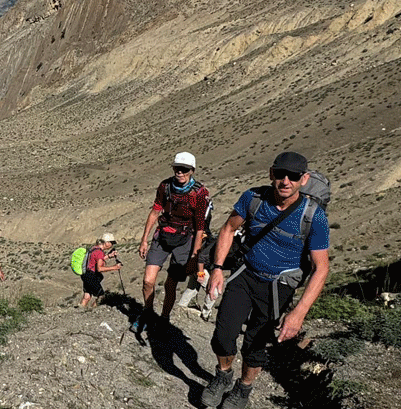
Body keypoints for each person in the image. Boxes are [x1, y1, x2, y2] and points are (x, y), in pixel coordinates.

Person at [201, 152, 330, 409]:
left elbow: (321, 268)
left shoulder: (314, 217)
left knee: (255, 345)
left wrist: (299, 313)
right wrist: (217, 269)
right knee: (223, 335)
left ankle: (243, 389)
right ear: (271, 173)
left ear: (304, 179)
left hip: (278, 286)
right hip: (246, 274)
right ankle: (223, 375)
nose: (286, 181)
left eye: (293, 176)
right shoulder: (253, 198)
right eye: (280, 174)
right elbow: (228, 229)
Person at [132, 152, 212, 330]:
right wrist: (144, 240)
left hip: (184, 240)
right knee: (148, 281)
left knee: (171, 284)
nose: (180, 172)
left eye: (184, 169)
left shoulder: (199, 193)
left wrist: (195, 255)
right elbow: (155, 212)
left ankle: (164, 318)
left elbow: (200, 227)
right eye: (177, 168)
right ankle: (147, 313)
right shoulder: (165, 186)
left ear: (192, 170)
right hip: (163, 236)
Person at [79, 233, 123, 308]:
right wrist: (115, 267)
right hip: (92, 276)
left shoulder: (94, 248)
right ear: (107, 242)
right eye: (111, 243)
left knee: (87, 295)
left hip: (85, 274)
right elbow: (99, 269)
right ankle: (93, 310)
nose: (112, 245)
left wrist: (108, 256)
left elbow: (95, 259)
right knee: (101, 296)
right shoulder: (100, 252)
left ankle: (80, 309)